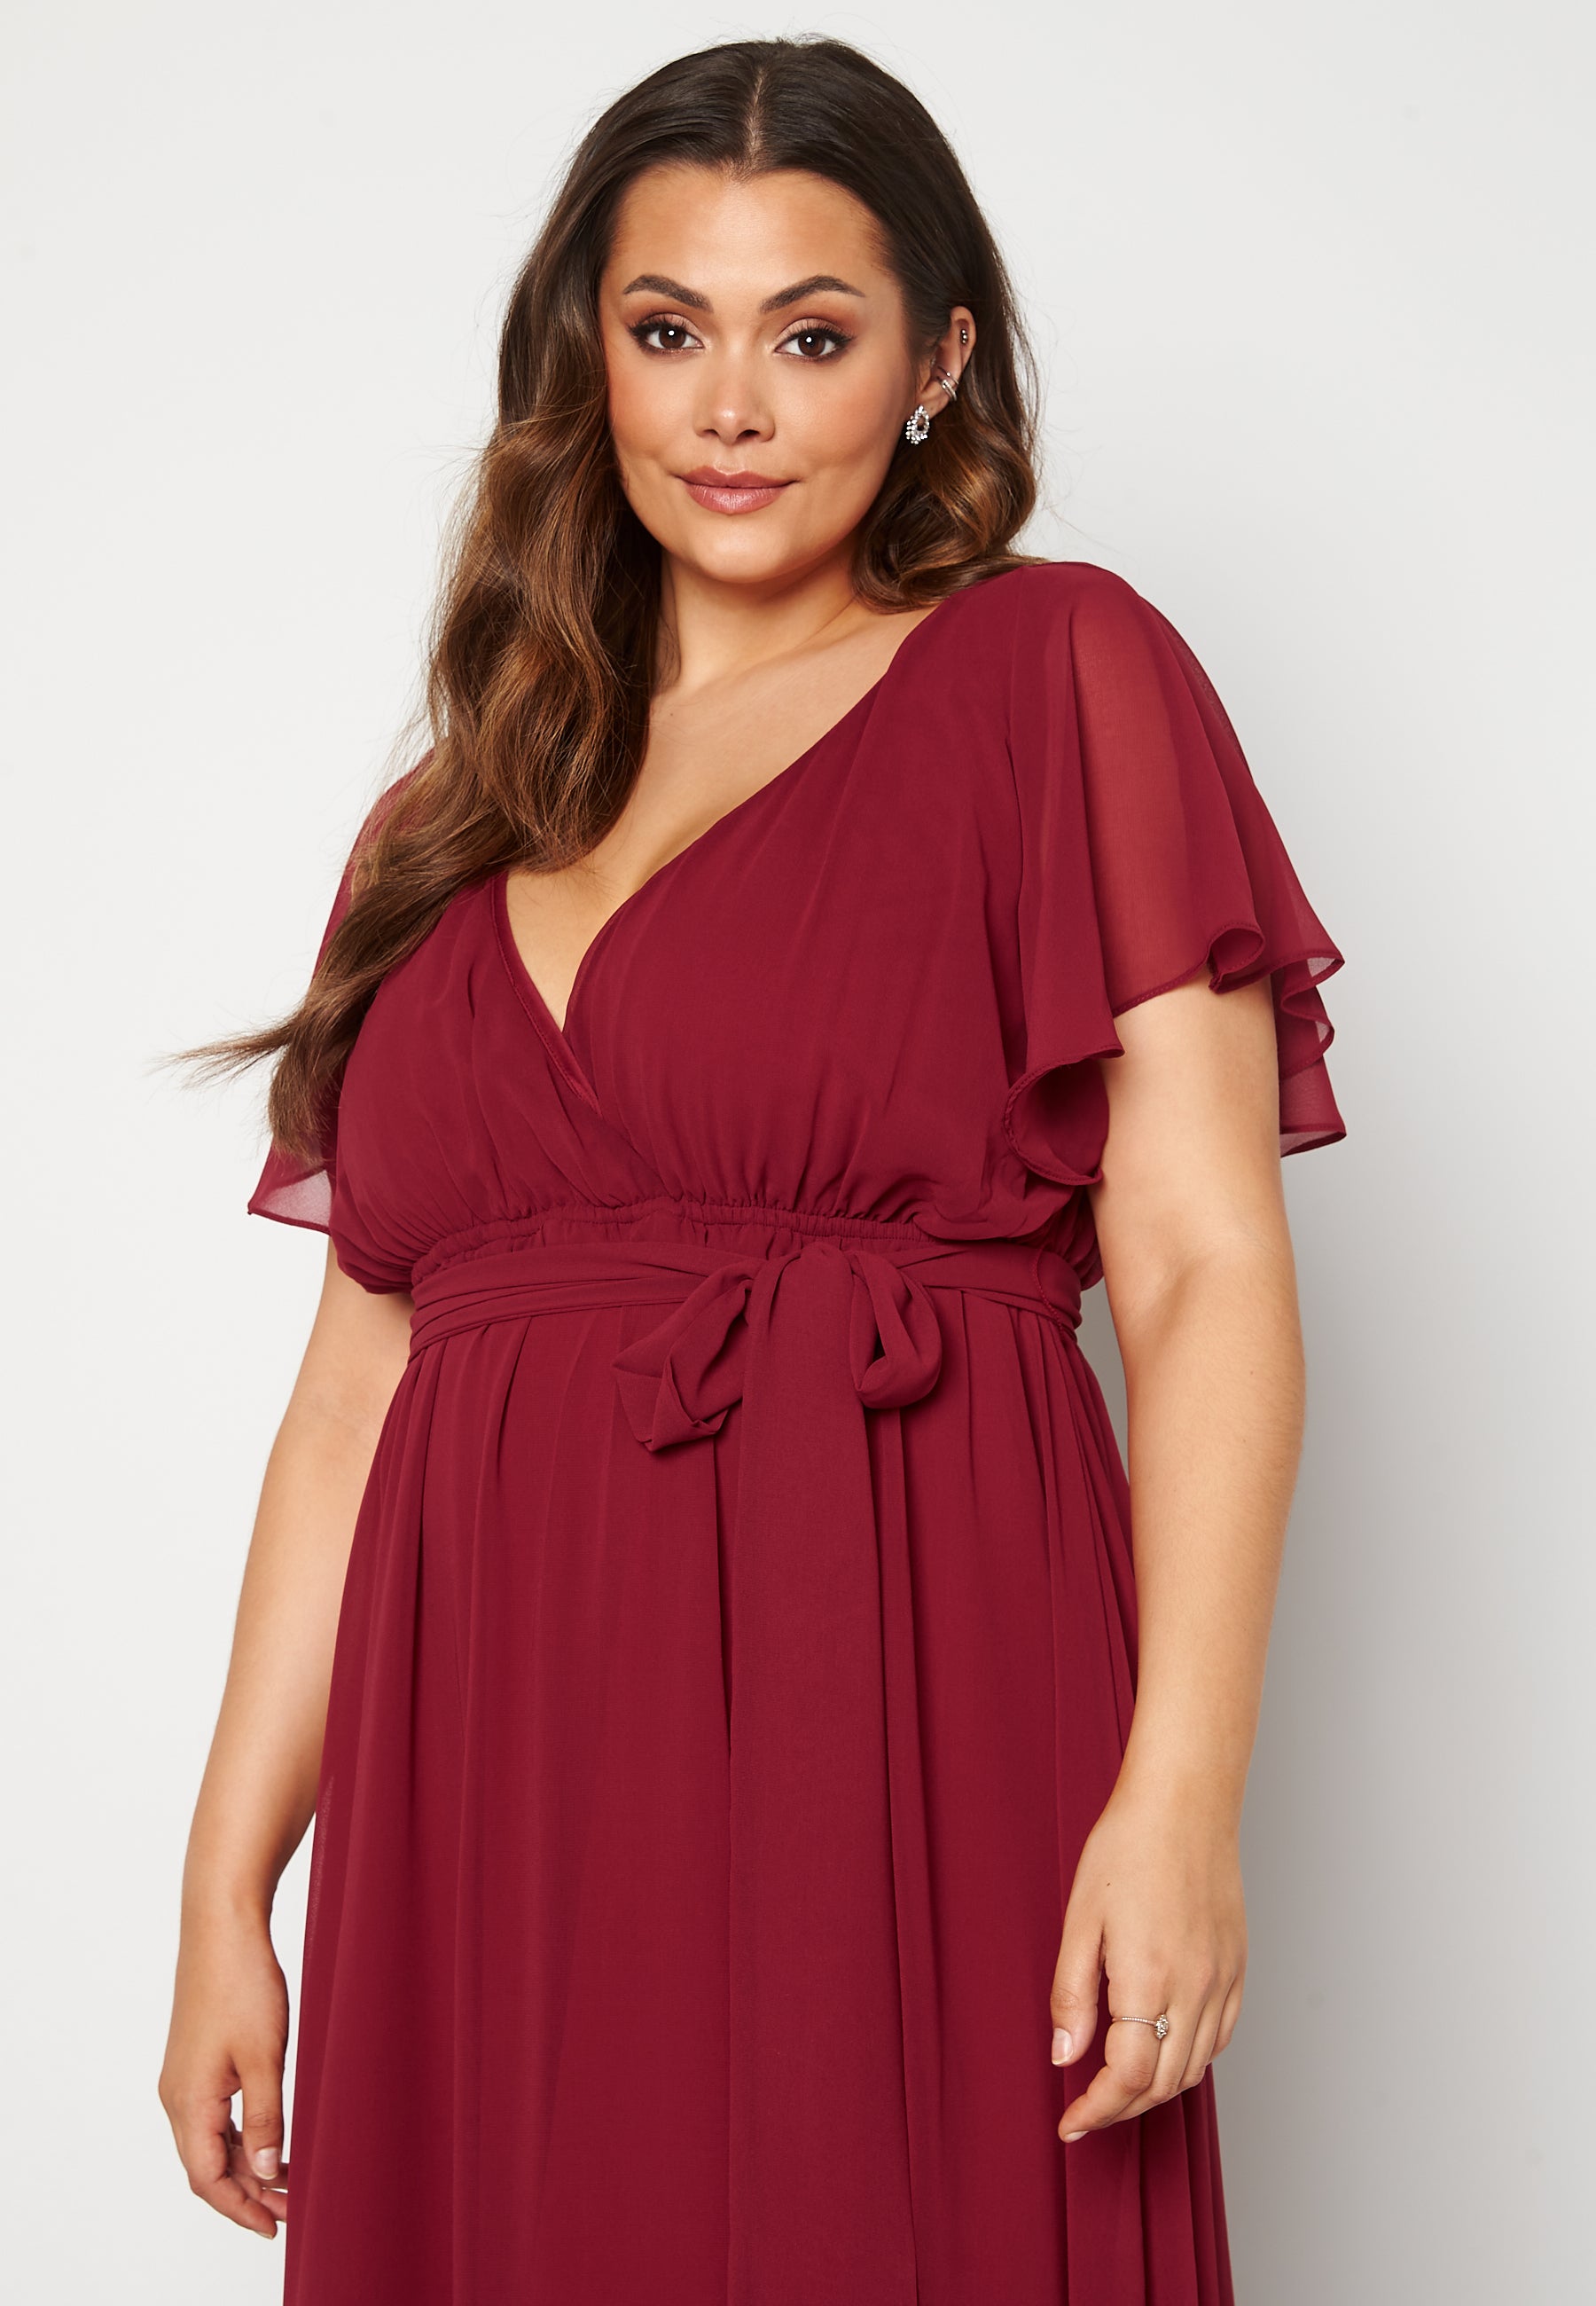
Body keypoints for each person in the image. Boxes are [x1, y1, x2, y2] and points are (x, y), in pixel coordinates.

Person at [159, 34, 1345, 2305]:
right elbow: (351, 1392)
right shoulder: (440, 827)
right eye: (667, 329)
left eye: (812, 337)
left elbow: (1203, 1261)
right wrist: (230, 1883)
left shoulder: (1055, 676)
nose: (731, 408)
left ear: (937, 363)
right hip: (491, 1763)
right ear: (587, 356)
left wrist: (1181, 1795)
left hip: (897, 1675)